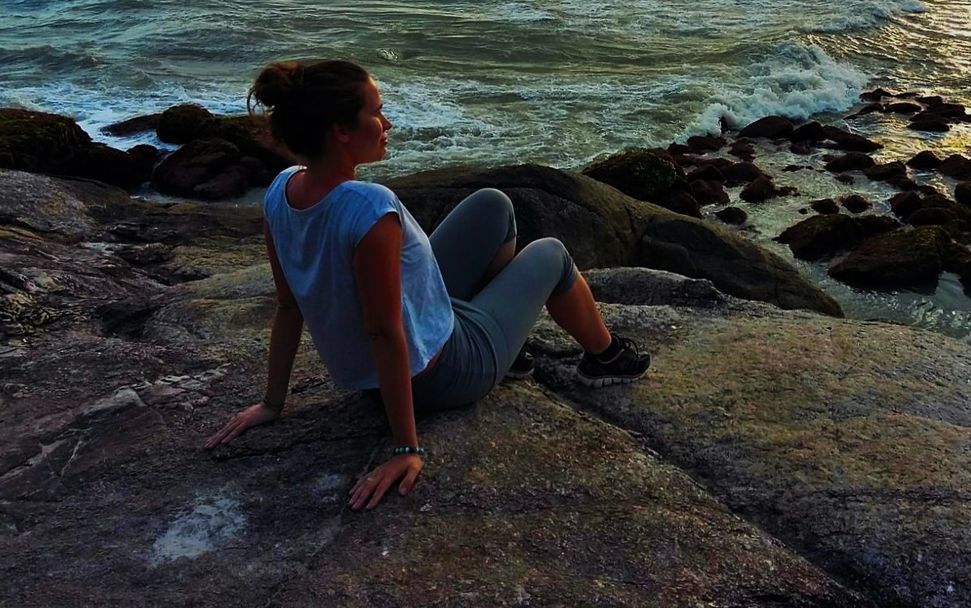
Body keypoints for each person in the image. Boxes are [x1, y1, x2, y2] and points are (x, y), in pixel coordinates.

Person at [204, 59, 650, 510]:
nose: (388, 122)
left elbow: (288, 306)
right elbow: (382, 330)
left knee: (494, 204)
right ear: (340, 130)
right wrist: (405, 448)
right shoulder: (370, 208)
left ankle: (510, 352)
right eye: (376, 112)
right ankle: (606, 357)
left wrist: (273, 404)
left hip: (407, 356)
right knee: (551, 252)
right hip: (444, 374)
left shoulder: (281, 191)